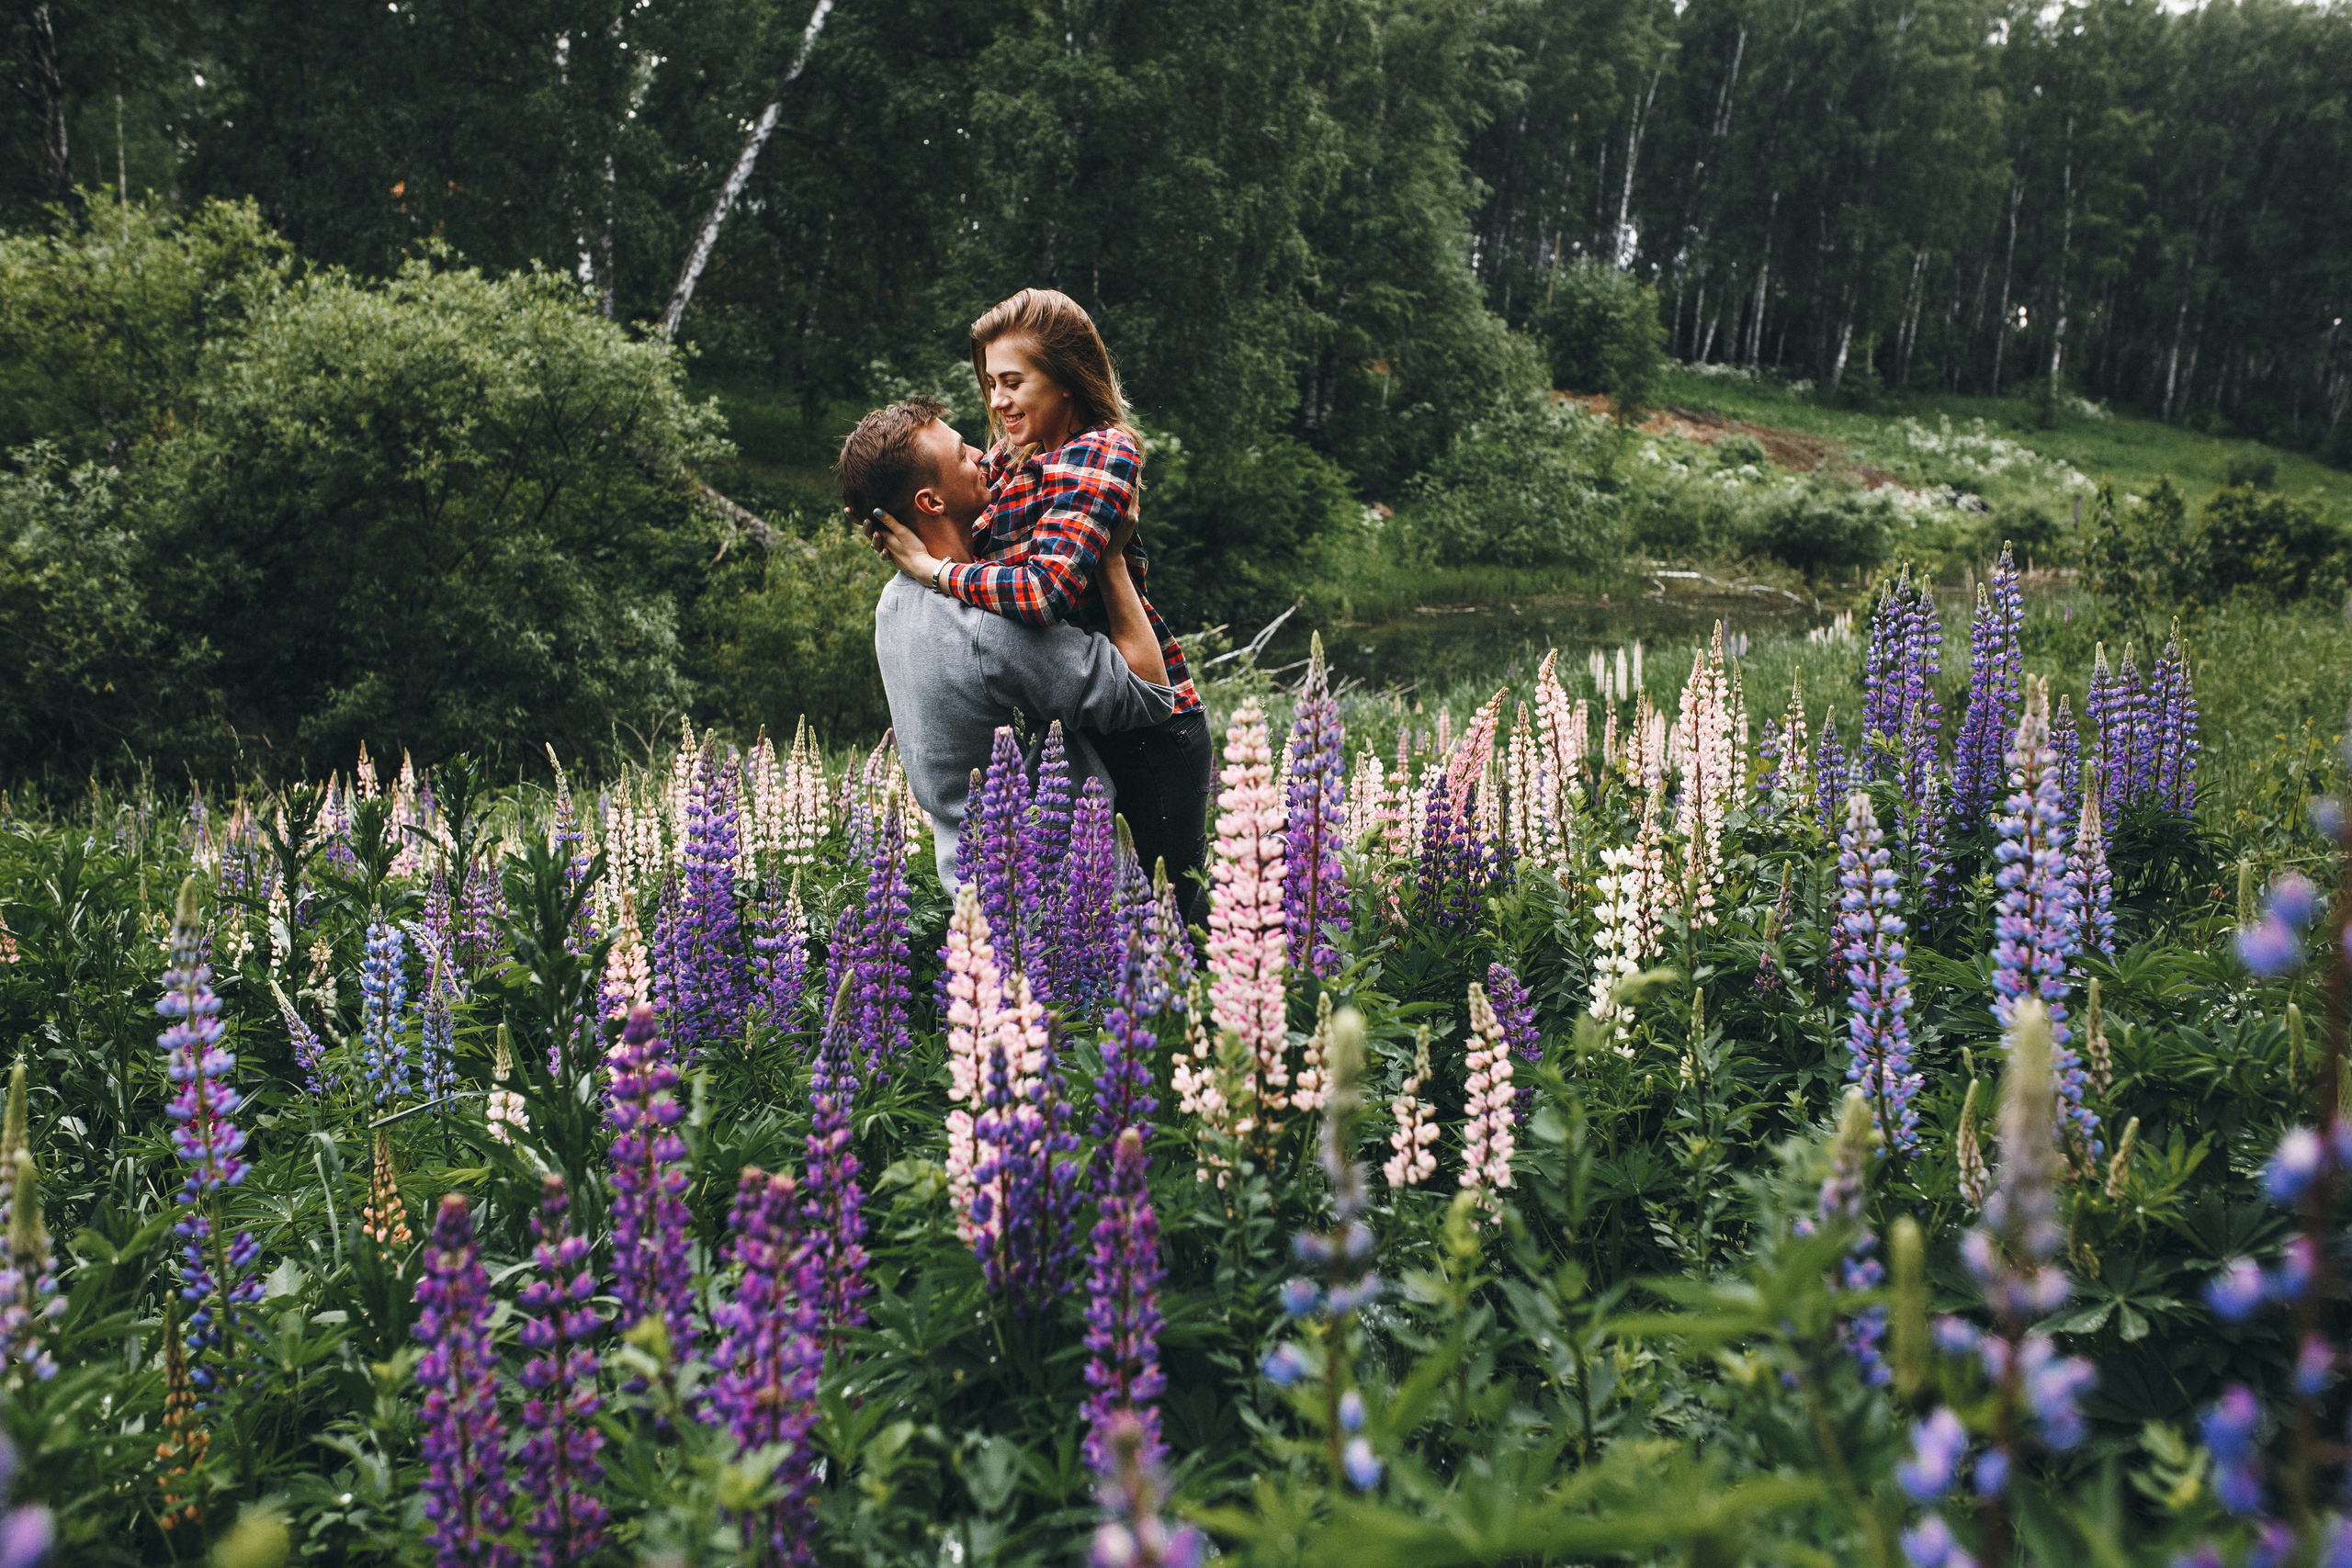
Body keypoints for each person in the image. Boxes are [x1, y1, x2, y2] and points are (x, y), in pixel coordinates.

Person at [863, 288, 1213, 926]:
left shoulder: (1100, 453)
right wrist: (892, 523)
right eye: (991, 382)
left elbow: (1045, 592)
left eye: (1013, 382)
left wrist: (936, 571)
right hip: (1093, 705)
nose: (995, 403)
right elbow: (940, 495)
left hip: (1155, 726)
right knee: (1143, 908)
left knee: (1173, 916)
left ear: (1067, 382)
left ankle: (1234, 1015)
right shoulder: (1016, 453)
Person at [839, 396, 1174, 890]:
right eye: (960, 454)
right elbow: (1149, 695)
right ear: (930, 502)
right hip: (1067, 902)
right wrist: (1110, 558)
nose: (980, 454)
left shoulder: (892, 606)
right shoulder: (988, 628)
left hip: (971, 892)